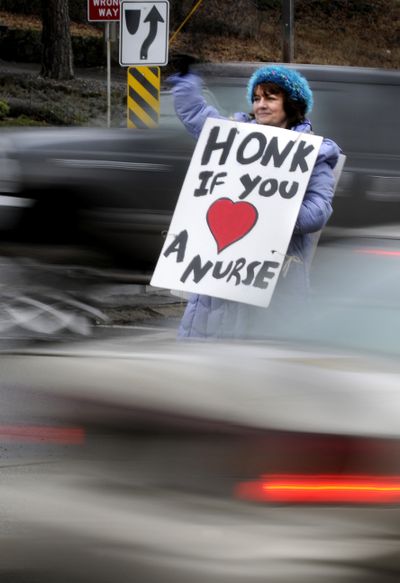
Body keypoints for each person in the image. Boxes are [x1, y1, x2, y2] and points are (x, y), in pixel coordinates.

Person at [167, 62, 342, 339]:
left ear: (291, 104)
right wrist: (186, 81)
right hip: (219, 288)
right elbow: (199, 117)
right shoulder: (233, 136)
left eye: (270, 98)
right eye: (257, 98)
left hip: (274, 291)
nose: (261, 105)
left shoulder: (314, 154)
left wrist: (265, 211)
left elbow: (317, 211)